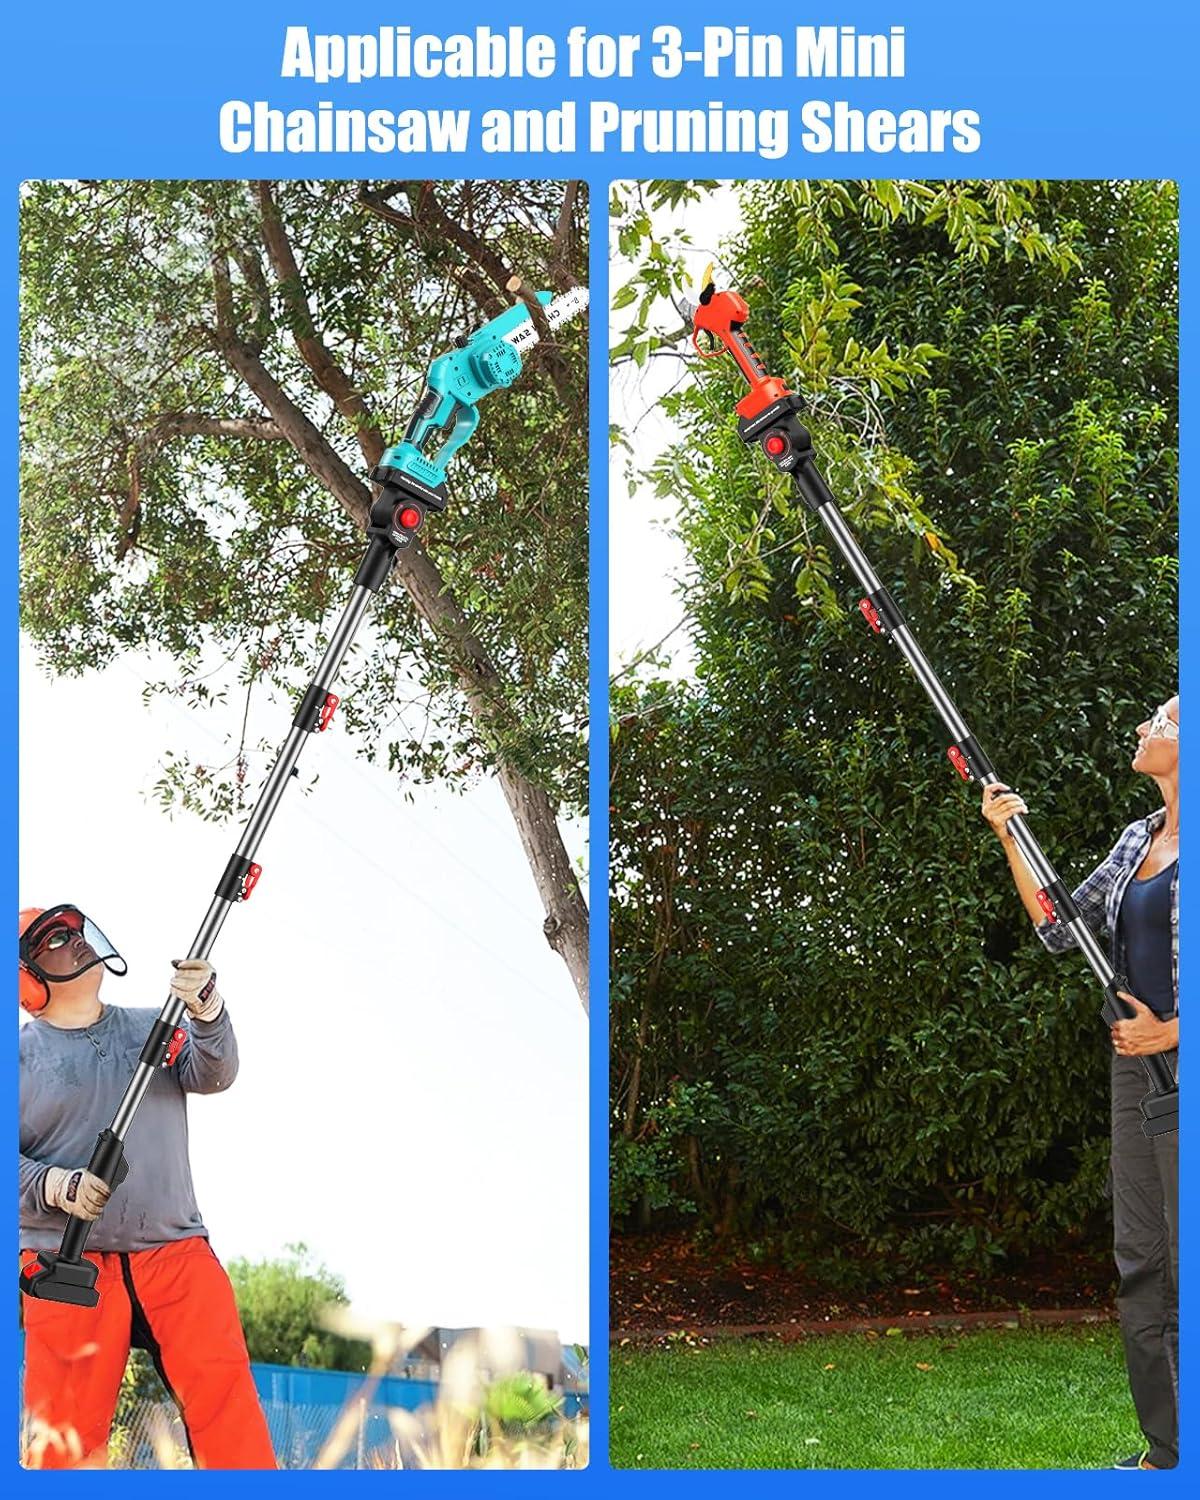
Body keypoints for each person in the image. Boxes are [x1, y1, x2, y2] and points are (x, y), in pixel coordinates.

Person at [982, 697, 1178, 1471]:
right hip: (1138, 1073)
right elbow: (1061, 925)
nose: (1140, 729)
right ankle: (1169, 1453)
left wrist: (1176, 1028)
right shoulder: (1138, 838)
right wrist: (1011, 835)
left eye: (1160, 719)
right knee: (1142, 1258)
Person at [18, 904, 276, 1470]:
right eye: (55, 939)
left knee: (230, 1421)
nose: (77, 941)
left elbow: (215, 1073)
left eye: (77, 930)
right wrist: (54, 1186)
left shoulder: (152, 1027)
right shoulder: (20, 1057)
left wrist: (206, 1010)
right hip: (68, 1268)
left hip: (176, 1251)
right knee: (62, 1445)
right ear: (28, 978)